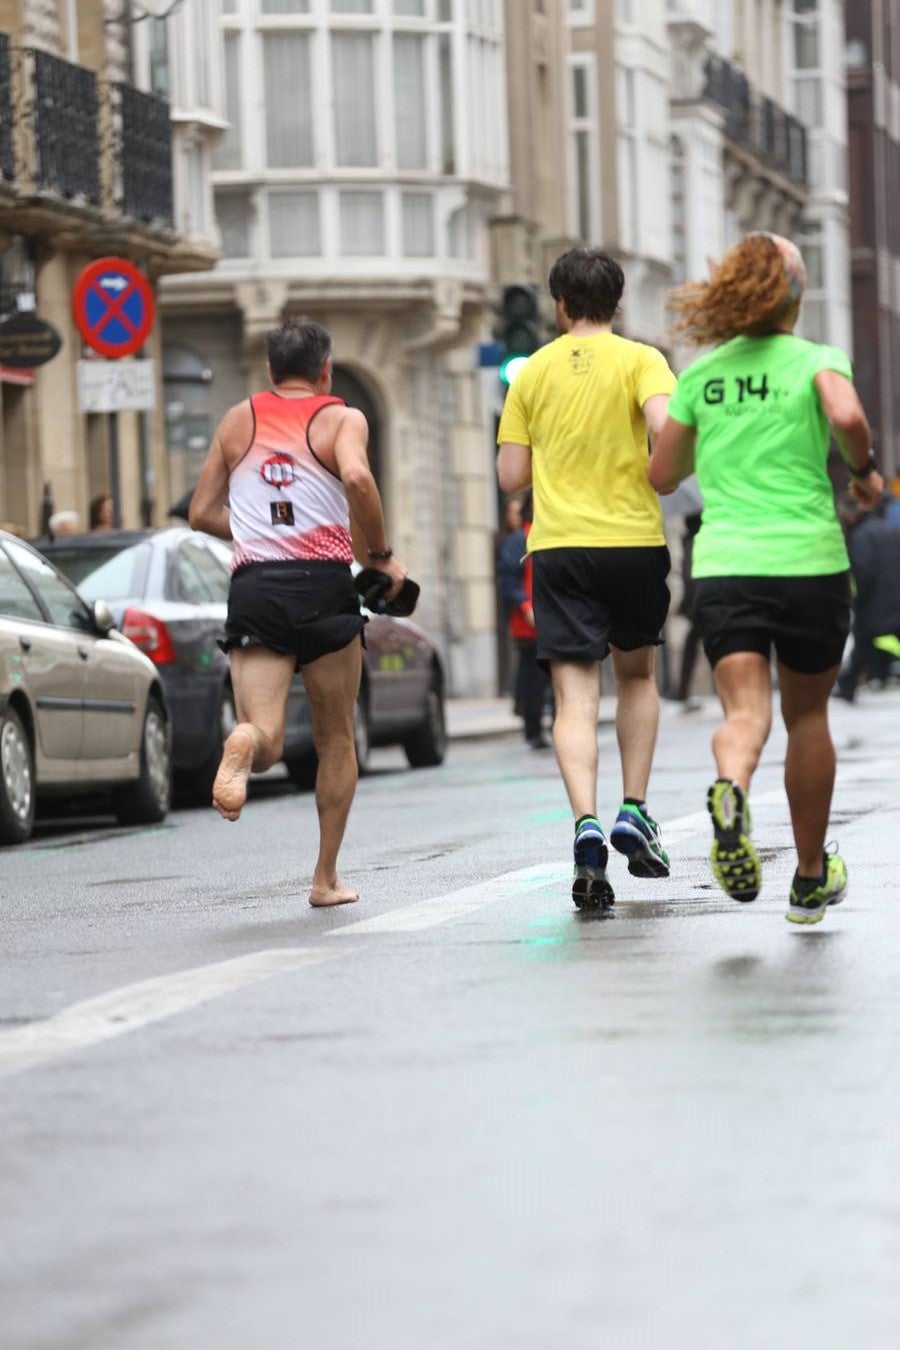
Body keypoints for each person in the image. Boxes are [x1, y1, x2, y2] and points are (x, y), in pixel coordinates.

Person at [648, 231, 884, 925]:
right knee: (806, 715)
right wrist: (863, 471)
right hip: (809, 561)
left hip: (728, 565)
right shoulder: (816, 360)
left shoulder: (701, 377)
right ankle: (809, 878)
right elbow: (846, 414)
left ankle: (730, 786)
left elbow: (662, 474)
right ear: (792, 294)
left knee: (742, 714)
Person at [189, 317, 407, 908]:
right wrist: (381, 556)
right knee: (336, 739)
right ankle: (325, 878)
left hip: (257, 584)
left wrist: (258, 529)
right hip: (324, 584)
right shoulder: (342, 417)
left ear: (269, 371)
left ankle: (241, 742)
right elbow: (357, 475)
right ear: (326, 370)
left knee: (268, 738)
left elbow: (201, 512)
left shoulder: (239, 419)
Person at [497, 247, 677, 912]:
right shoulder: (641, 360)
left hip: (562, 546)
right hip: (632, 541)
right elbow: (665, 430)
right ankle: (634, 807)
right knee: (636, 676)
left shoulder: (533, 373)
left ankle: (587, 823)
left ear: (560, 304)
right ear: (617, 303)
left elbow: (511, 477)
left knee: (573, 700)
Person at [497, 491, 552, 749]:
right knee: (533, 677)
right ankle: (533, 729)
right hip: (529, 623)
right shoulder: (520, 540)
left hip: (549, 620)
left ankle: (551, 725)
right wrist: (526, 605)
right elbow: (509, 579)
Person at [834, 492, 900, 700]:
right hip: (893, 598)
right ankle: (854, 682)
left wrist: (856, 599)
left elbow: (863, 571)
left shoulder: (862, 535)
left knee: (864, 640)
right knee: (870, 643)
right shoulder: (887, 529)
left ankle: (848, 686)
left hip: (875, 602)